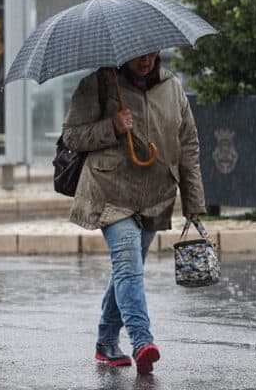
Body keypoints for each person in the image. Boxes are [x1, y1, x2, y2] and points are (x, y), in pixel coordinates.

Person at [62, 51, 207, 375]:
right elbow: (71, 135)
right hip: (110, 192)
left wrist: (194, 202)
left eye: (152, 53)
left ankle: (105, 341)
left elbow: (188, 145)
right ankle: (142, 342)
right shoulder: (99, 84)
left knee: (127, 270)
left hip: (155, 196)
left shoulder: (172, 87)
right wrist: (112, 126)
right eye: (139, 55)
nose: (146, 60)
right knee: (128, 266)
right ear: (124, 53)